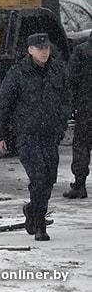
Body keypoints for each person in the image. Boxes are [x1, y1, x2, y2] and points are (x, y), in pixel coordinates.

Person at [0, 32, 71, 241]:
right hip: (27, 135)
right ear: (30, 50)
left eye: (46, 48)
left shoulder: (57, 70)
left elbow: (66, 98)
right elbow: (3, 104)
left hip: (50, 135)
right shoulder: (18, 73)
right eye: (39, 49)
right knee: (38, 177)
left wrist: (61, 121)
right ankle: (40, 224)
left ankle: (32, 210)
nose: (44, 52)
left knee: (49, 179)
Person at [65, 37, 92, 199]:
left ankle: (80, 185)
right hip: (85, 105)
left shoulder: (82, 50)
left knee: (82, 145)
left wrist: (72, 105)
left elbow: (71, 79)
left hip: (86, 107)